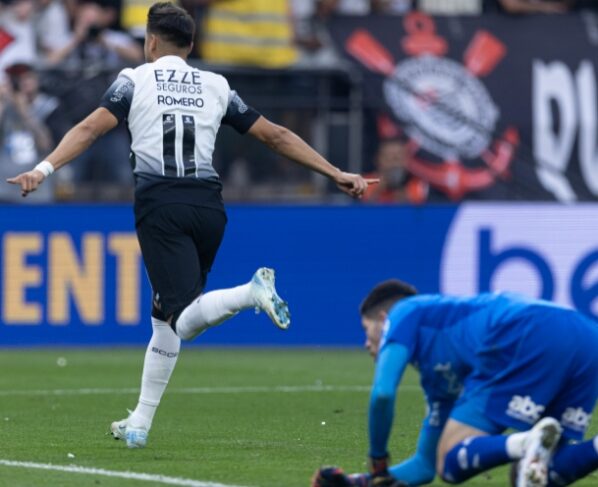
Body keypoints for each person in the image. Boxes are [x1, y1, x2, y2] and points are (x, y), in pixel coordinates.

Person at [6, 2, 373, 449]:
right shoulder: (215, 84)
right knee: (164, 316)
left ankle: (249, 292)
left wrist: (42, 170)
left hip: (161, 204)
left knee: (182, 320)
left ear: (151, 41)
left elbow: (90, 128)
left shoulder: (135, 78)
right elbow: (275, 135)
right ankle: (139, 422)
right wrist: (335, 172)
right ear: (192, 45)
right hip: (209, 208)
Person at [312, 281, 598, 487]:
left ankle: (526, 441)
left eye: (366, 330)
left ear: (383, 320)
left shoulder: (404, 312)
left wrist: (378, 461)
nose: (366, 344)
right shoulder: (440, 378)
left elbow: (383, 394)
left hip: (525, 329)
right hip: (587, 337)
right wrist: (357, 483)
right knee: (541, 472)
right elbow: (424, 467)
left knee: (450, 460)